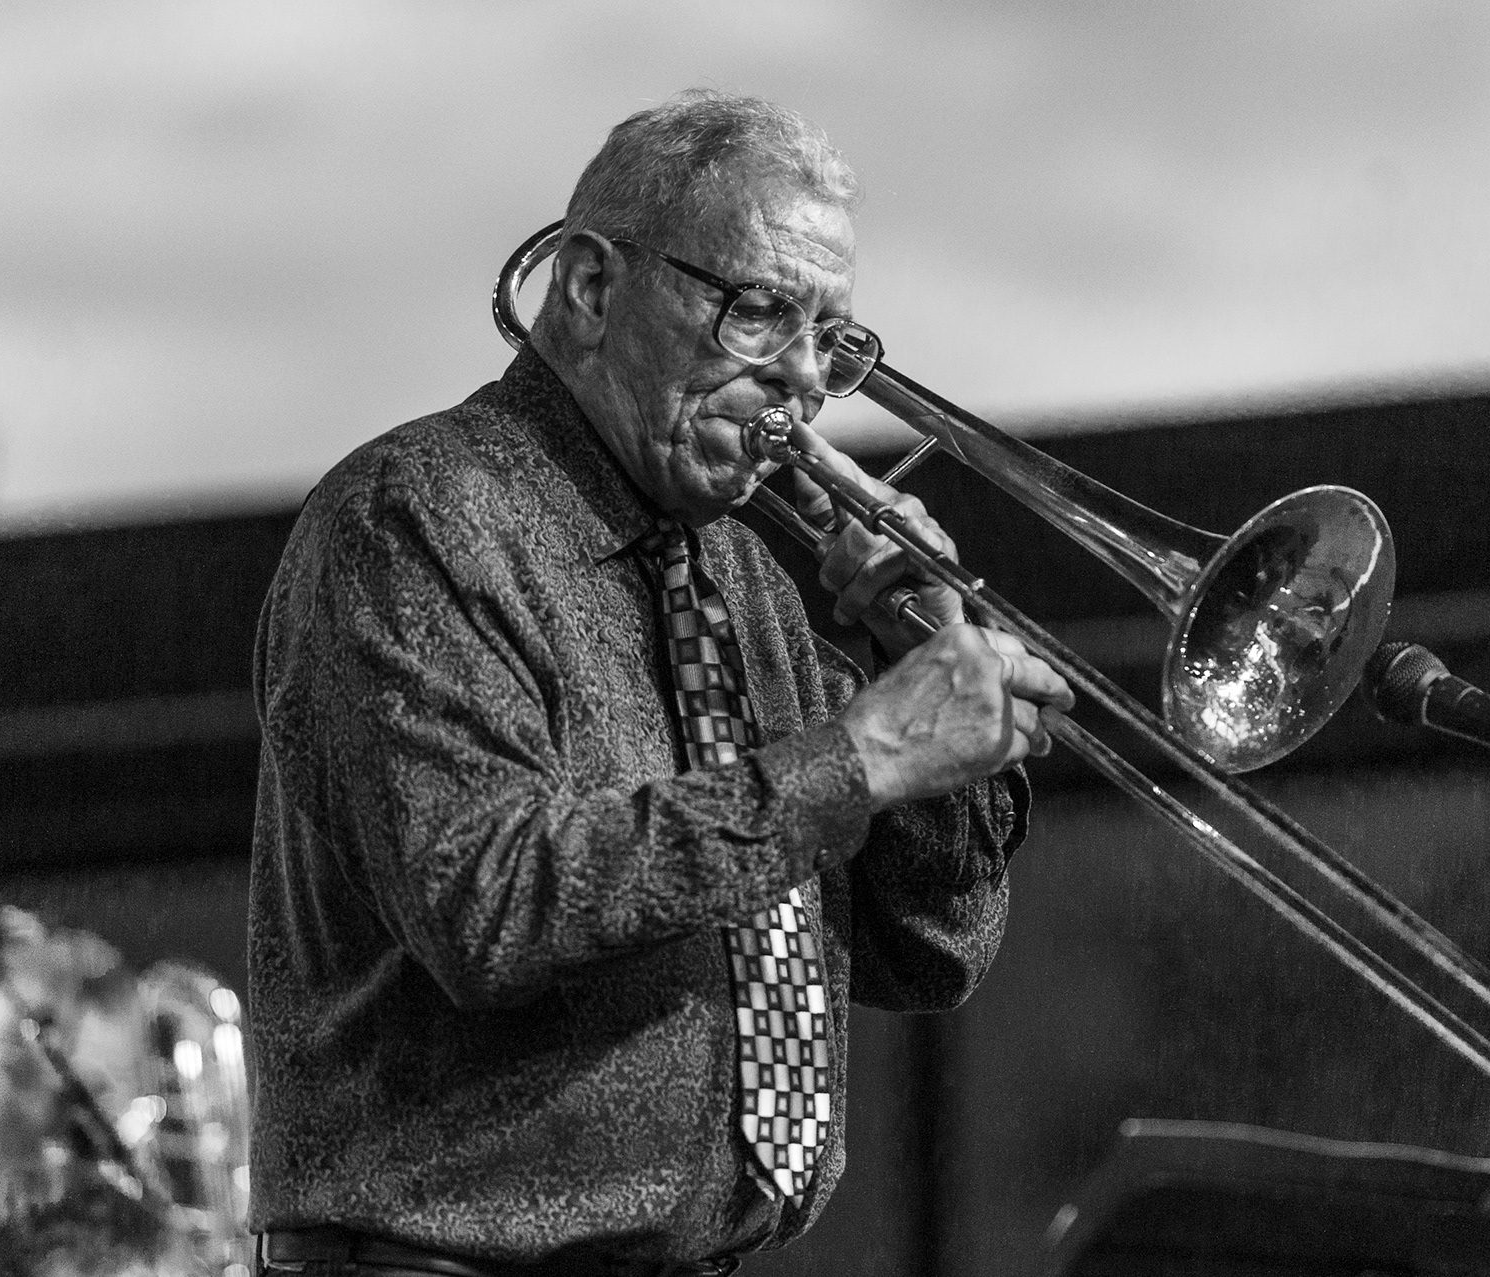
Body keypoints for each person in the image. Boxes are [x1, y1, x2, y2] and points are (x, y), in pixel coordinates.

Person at [246, 89, 1072, 1277]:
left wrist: (911, 663)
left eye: (830, 340)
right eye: (759, 313)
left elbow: (929, 952)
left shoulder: (748, 584)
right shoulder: (417, 517)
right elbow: (489, 905)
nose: (801, 379)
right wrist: (866, 753)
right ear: (589, 288)